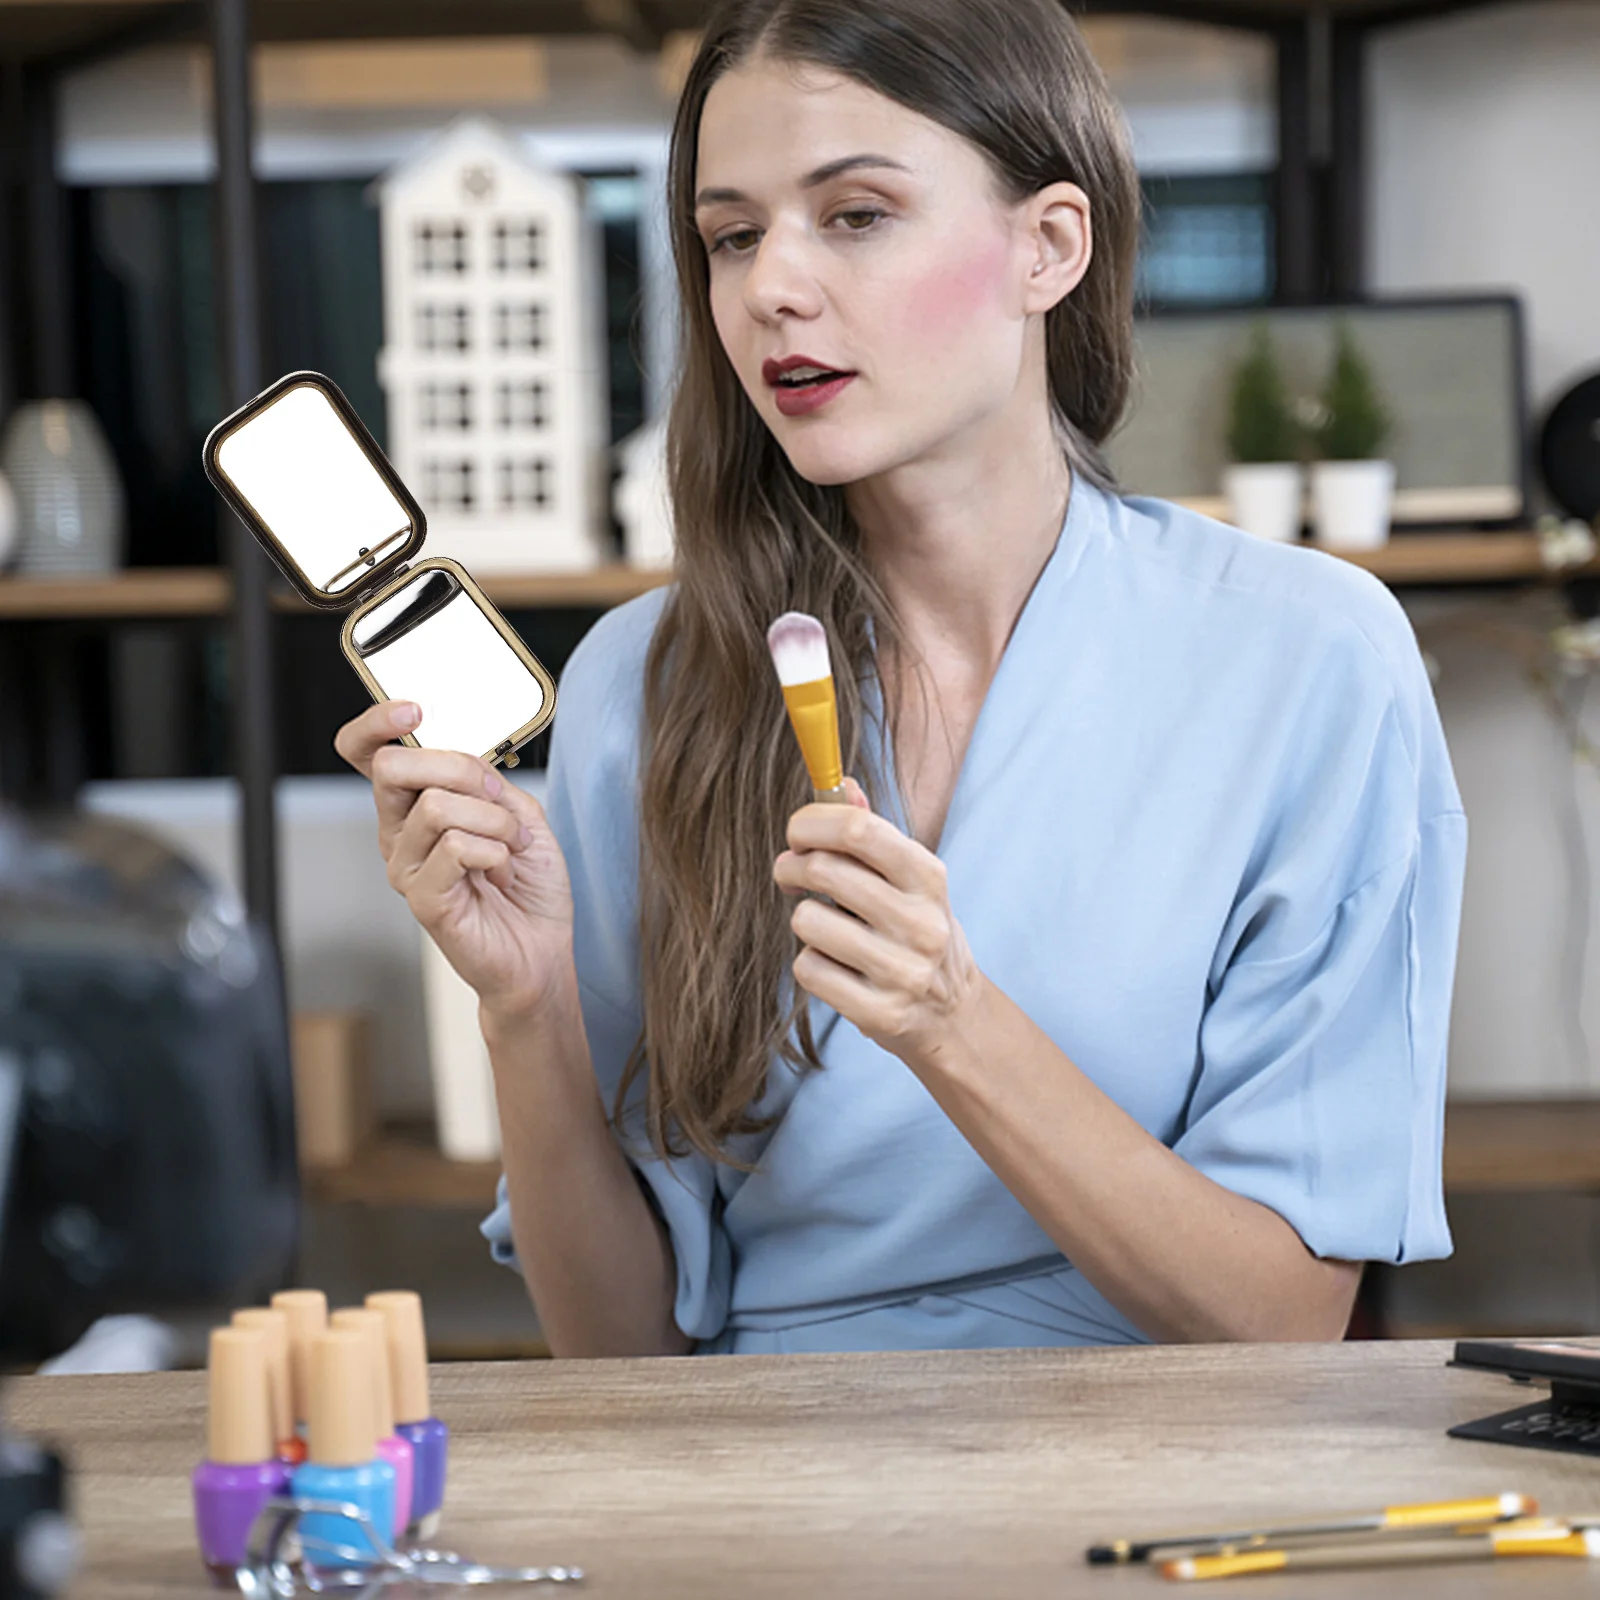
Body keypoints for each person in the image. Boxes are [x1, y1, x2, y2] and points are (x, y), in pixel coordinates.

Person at [336, 0, 1466, 1356]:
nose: (772, 287)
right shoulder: (644, 683)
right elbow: (620, 1358)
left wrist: (952, 1023)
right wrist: (526, 1009)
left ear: (1049, 246)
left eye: (856, 215)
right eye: (731, 236)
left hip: (1166, 1455)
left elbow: (1281, 1322)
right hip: (758, 1463)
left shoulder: (1309, 658)